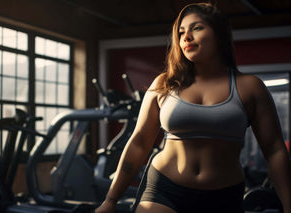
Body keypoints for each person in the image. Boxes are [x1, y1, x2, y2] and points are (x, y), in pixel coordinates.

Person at [95, 2, 291, 213]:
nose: (186, 37)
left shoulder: (250, 87)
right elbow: (139, 142)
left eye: (196, 28)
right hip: (164, 189)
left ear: (219, 34)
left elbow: (275, 150)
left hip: (223, 196)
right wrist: (111, 200)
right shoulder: (164, 84)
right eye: (181, 32)